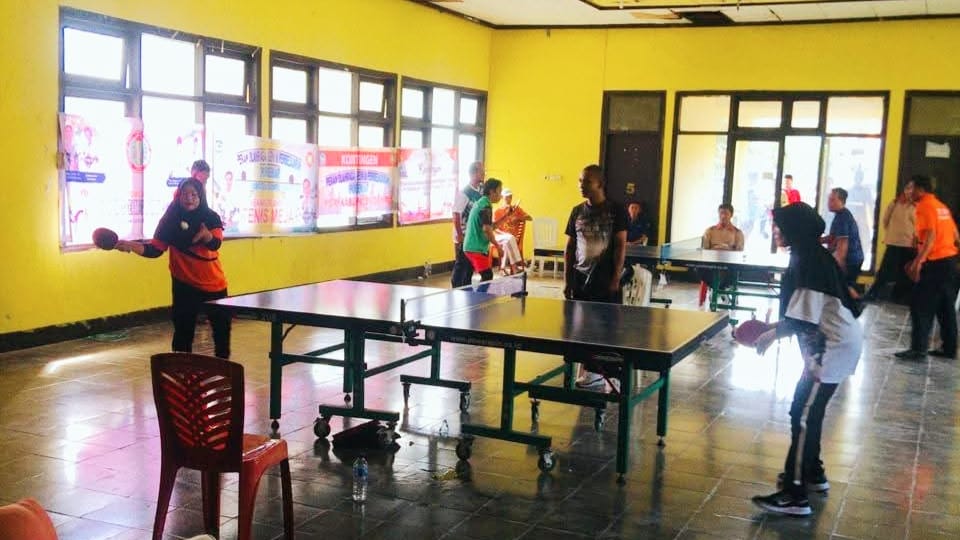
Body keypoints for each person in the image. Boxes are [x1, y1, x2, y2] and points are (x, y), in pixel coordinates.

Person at [751, 202, 863, 517]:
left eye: (781, 226)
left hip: (831, 347)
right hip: (831, 342)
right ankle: (812, 472)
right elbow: (804, 312)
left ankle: (795, 494)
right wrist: (773, 328)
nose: (777, 231)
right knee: (805, 410)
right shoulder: (810, 255)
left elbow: (805, 318)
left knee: (802, 414)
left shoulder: (810, 261)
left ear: (795, 230)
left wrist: (771, 335)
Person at [114, 178, 231, 359]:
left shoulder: (211, 217)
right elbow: (155, 250)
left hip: (214, 284)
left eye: (194, 194)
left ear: (201, 196)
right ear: (178, 196)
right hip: (184, 283)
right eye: (185, 194)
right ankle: (181, 370)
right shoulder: (169, 220)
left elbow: (215, 244)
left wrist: (206, 235)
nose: (189, 198)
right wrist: (132, 245)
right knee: (183, 332)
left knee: (222, 332)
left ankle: (223, 368)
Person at [563, 165, 628, 389]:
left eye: (587, 181)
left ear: (600, 184)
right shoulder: (576, 211)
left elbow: (620, 246)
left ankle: (613, 376)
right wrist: (567, 281)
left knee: (608, 330)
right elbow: (570, 248)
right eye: (580, 180)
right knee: (582, 329)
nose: (581, 185)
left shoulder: (616, 210)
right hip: (581, 278)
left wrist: (615, 278)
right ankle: (590, 372)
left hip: (605, 278)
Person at [895, 175, 959, 360]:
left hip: (936, 264)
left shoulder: (925, 206)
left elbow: (931, 236)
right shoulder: (941, 206)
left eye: (911, 188)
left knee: (920, 305)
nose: (908, 192)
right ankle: (949, 348)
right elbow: (955, 235)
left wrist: (918, 262)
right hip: (949, 262)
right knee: (946, 307)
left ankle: (918, 349)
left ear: (921, 190)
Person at [864, 184, 916, 302]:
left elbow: (918, 226)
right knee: (884, 271)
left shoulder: (916, 206)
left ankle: (901, 298)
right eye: (907, 188)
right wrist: (892, 233)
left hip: (909, 245)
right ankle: (874, 294)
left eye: (912, 189)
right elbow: (885, 220)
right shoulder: (895, 203)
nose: (909, 191)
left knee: (906, 274)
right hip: (893, 243)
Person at [463, 178, 512, 284]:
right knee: (487, 275)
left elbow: (490, 226)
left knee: (475, 277)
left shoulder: (482, 202)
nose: (500, 195)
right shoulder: (486, 206)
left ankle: (476, 293)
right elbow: (487, 230)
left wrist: (506, 216)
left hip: (472, 246)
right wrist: (498, 246)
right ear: (491, 191)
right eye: (499, 191)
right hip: (475, 248)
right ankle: (479, 294)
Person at [699, 203, 744, 303]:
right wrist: (716, 250)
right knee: (699, 268)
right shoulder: (710, 231)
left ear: (731, 215)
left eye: (726, 213)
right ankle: (719, 290)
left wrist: (727, 250)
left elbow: (739, 253)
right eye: (721, 213)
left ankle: (718, 290)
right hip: (712, 264)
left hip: (729, 264)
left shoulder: (738, 233)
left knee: (734, 271)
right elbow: (705, 250)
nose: (723, 216)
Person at [822, 187, 864, 292]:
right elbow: (832, 237)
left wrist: (841, 270)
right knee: (845, 289)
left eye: (832, 200)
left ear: (841, 201)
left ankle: (856, 300)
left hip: (850, 261)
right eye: (829, 199)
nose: (829, 203)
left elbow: (842, 249)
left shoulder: (843, 218)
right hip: (853, 258)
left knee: (845, 289)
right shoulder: (840, 215)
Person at [451, 162, 484, 287]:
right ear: (474, 173)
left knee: (469, 269)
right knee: (461, 268)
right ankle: (456, 290)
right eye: (481, 171)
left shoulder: (480, 191)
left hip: (472, 236)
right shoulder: (464, 193)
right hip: (464, 235)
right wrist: (460, 236)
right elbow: (456, 215)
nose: (484, 173)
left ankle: (466, 292)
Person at [493, 188, 531, 275]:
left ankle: (503, 268)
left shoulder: (516, 209)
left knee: (508, 242)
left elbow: (530, 218)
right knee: (509, 239)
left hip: (511, 239)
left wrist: (517, 218)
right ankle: (515, 266)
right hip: (500, 236)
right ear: (502, 198)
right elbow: (494, 228)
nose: (509, 199)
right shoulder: (497, 211)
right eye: (507, 197)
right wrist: (504, 234)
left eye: (510, 197)